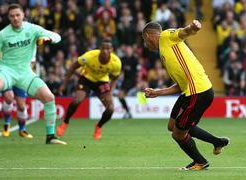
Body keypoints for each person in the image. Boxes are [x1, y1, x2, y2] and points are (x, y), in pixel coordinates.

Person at [0, 3, 66, 145]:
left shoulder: (32, 29)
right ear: (8, 18)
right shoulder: (3, 34)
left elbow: (57, 36)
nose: (15, 18)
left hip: (25, 73)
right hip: (6, 70)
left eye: (17, 15)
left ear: (23, 15)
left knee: (49, 97)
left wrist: (47, 38)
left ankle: (50, 136)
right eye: (12, 16)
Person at [142, 20, 230, 170]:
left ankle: (200, 162)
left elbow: (182, 33)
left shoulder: (165, 36)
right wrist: (158, 92)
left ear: (148, 35)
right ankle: (217, 142)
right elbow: (180, 85)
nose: (145, 44)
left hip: (198, 92)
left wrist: (192, 28)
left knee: (178, 134)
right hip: (190, 91)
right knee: (173, 125)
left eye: (144, 40)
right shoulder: (165, 50)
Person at [56, 39, 121, 139]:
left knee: (111, 108)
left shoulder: (116, 63)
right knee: (77, 100)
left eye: (108, 49)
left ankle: (98, 126)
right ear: (100, 48)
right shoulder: (89, 56)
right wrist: (64, 84)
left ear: (112, 50)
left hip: (101, 82)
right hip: (86, 79)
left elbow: (115, 78)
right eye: (103, 48)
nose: (105, 51)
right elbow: (73, 66)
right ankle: (65, 123)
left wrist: (111, 91)